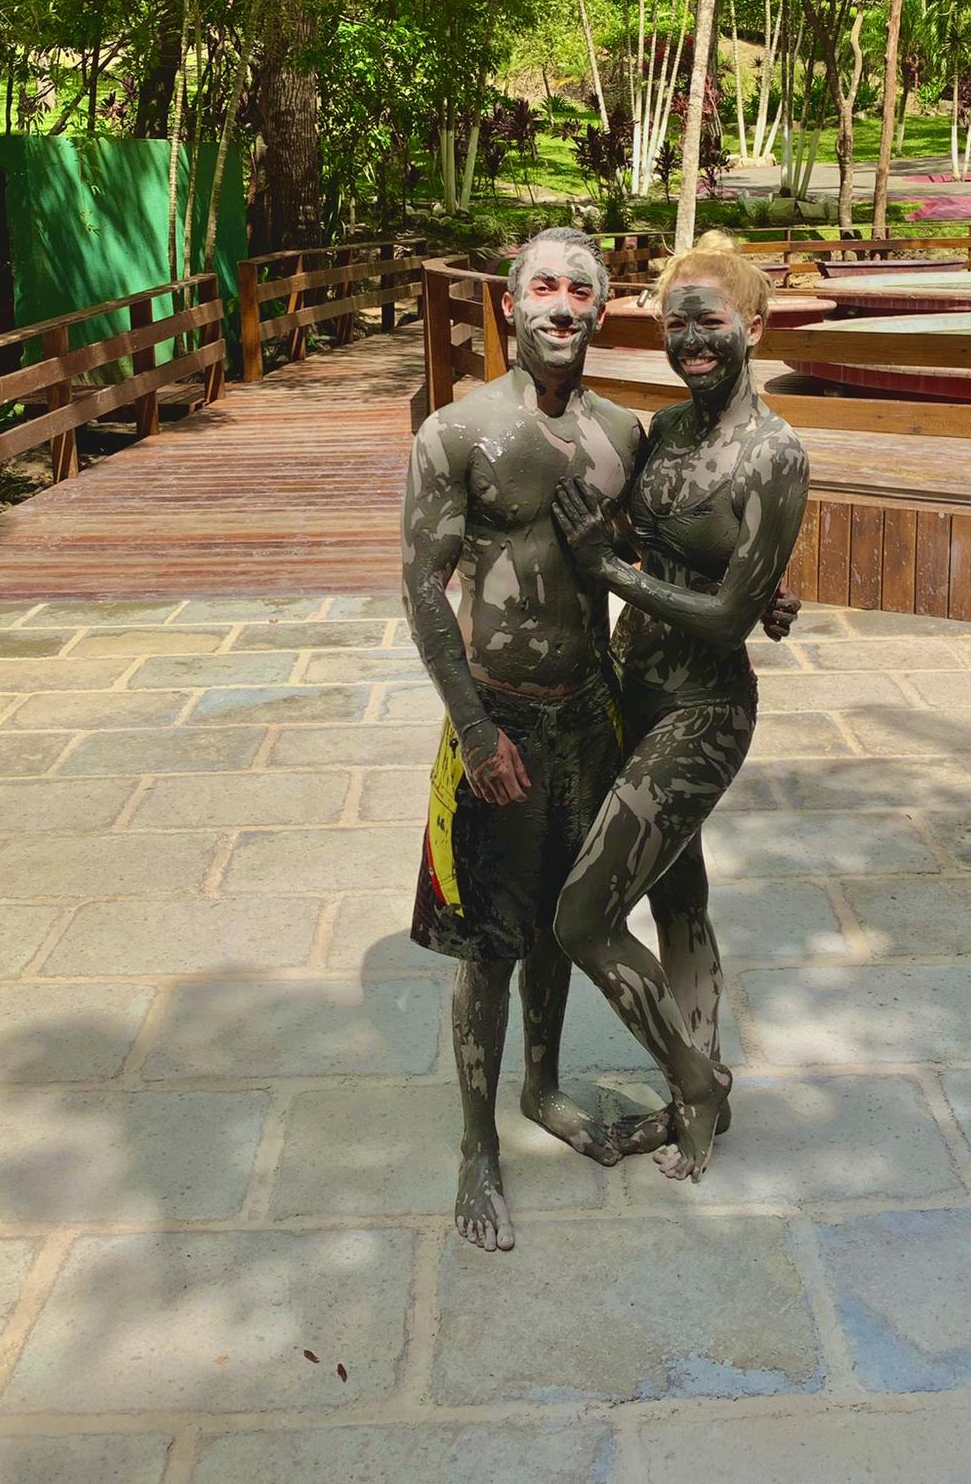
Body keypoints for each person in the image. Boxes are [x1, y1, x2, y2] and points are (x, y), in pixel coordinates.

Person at [551, 232, 811, 1183]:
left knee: (582, 916)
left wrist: (610, 571)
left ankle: (696, 1082)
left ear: (755, 324)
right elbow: (654, 538)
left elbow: (728, 615)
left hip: (703, 711)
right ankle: (693, 1086)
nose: (693, 338)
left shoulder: (774, 456)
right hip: (633, 689)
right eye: (676, 322)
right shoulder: (663, 434)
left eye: (712, 320)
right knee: (677, 891)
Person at [402, 228, 642, 1254]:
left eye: (578, 288)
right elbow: (422, 587)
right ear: (510, 303)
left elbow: (671, 552)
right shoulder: (458, 432)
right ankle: (474, 1141)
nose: (559, 303)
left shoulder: (629, 433)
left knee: (561, 921)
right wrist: (475, 726)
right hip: (494, 715)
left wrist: (758, 594)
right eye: (541, 285)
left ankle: (542, 1085)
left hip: (591, 713)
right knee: (489, 946)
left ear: (601, 306)